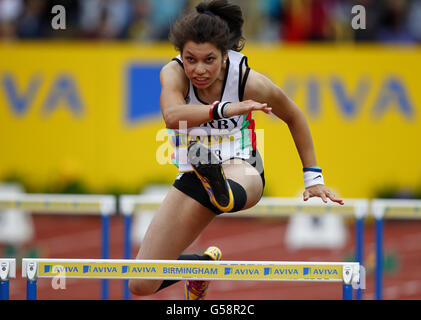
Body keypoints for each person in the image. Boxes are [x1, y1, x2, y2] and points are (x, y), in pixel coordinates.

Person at [129, 0, 344, 300]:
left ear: (225, 54)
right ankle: (199, 267)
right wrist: (225, 109)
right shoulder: (172, 73)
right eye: (190, 59)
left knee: (230, 191)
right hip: (194, 173)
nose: (199, 70)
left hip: (242, 165)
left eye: (209, 60)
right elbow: (172, 116)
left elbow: (294, 115)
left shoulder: (247, 80)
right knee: (140, 284)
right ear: (180, 54)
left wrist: (313, 178)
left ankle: (220, 185)